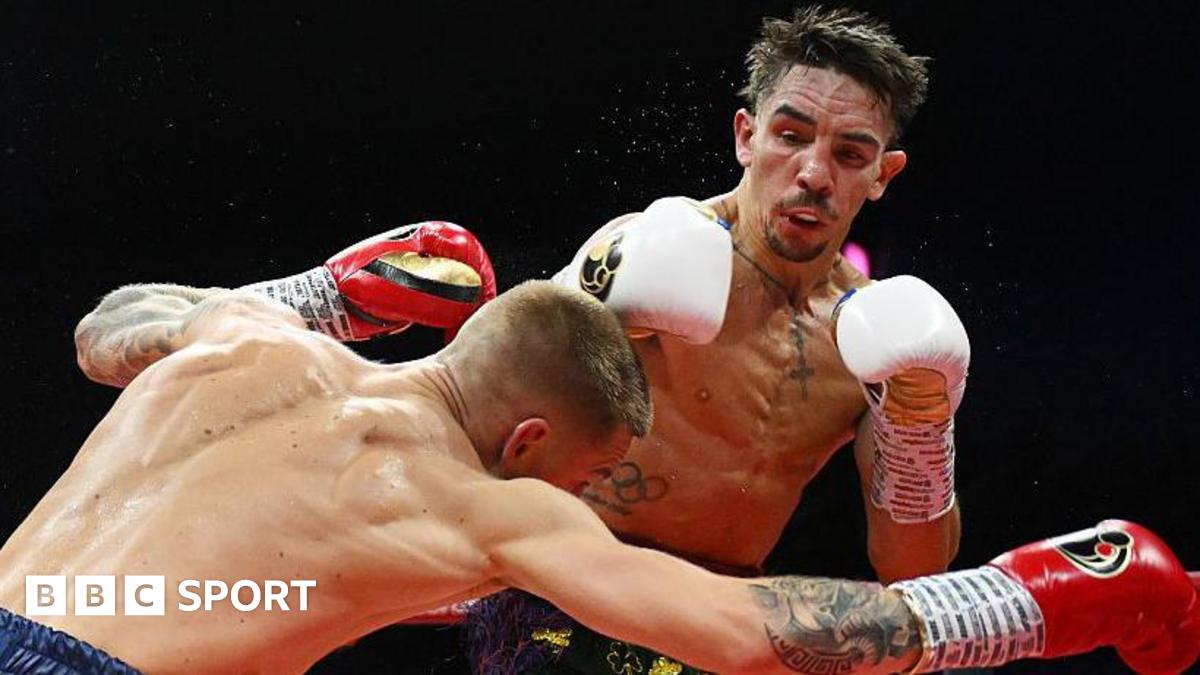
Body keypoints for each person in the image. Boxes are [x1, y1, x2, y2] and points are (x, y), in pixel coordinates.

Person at [1, 274, 1197, 675]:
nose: (579, 502)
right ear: (529, 442)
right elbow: (739, 634)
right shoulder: (482, 505)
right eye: (584, 476)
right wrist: (1024, 602)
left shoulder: (248, 339)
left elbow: (109, 328)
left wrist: (326, 294)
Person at [470, 5, 967, 670]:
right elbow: (481, 410)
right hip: (568, 596)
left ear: (883, 173)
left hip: (720, 624)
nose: (815, 174)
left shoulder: (871, 334)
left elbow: (914, 571)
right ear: (746, 136)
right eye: (790, 136)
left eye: (850, 154)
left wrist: (922, 429)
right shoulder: (654, 249)